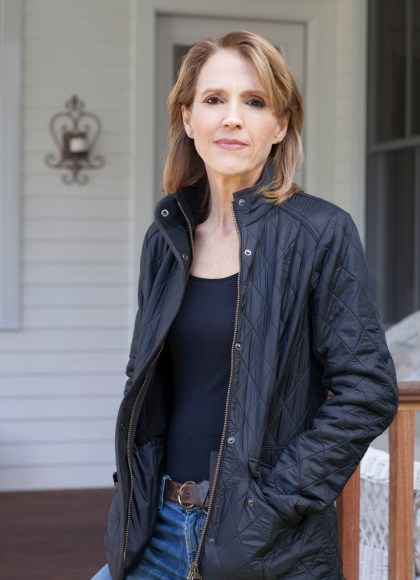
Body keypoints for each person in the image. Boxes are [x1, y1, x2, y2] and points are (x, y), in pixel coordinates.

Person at [93, 30, 398, 580]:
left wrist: (268, 507)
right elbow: (145, 382)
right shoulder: (167, 237)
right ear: (188, 119)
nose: (232, 118)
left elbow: (367, 393)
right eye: (214, 99)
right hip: (158, 529)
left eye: (254, 102)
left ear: (279, 126)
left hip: (264, 548)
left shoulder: (321, 232)